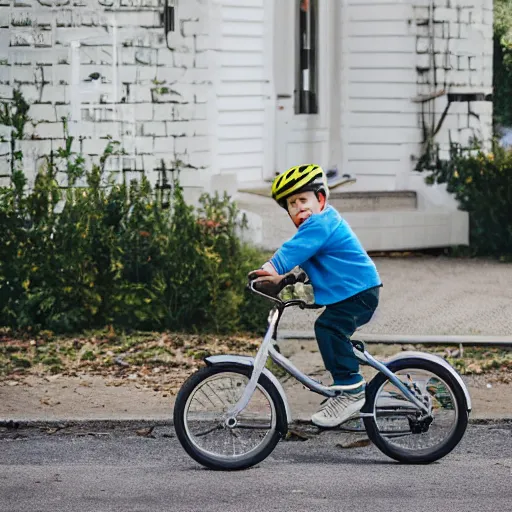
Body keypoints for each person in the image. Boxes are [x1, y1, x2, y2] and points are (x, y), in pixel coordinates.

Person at [249, 164, 382, 428]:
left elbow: (292, 251)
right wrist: (284, 280)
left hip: (359, 292)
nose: (298, 207)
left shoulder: (321, 223)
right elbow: (305, 266)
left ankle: (351, 391)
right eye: (291, 203)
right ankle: (347, 380)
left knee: (328, 328)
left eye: (303, 199)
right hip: (355, 291)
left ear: (320, 199)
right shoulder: (318, 227)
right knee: (333, 333)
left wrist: (270, 269)